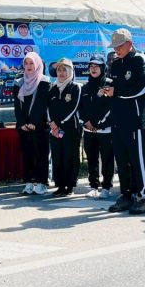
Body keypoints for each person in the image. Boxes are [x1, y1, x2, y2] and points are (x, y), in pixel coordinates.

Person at [102, 28, 145, 215]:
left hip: (133, 118)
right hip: (117, 118)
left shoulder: (139, 59)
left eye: (119, 46)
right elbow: (113, 84)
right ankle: (126, 194)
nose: (116, 49)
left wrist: (118, 92)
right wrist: (107, 88)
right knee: (122, 160)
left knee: (137, 159)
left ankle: (143, 196)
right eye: (114, 46)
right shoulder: (115, 63)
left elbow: (144, 87)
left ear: (129, 43)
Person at [14, 52, 51, 195]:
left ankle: (42, 183)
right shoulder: (19, 82)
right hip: (24, 126)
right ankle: (29, 182)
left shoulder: (44, 81)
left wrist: (34, 122)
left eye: (31, 63)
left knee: (41, 154)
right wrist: (22, 123)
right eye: (26, 63)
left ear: (38, 64)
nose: (28, 66)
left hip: (40, 125)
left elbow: (42, 104)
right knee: (27, 154)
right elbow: (17, 106)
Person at [79, 53, 115, 198]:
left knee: (107, 159)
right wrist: (86, 122)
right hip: (89, 130)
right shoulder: (85, 86)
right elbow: (81, 107)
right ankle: (93, 186)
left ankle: (106, 187)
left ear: (103, 67)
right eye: (91, 66)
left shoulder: (109, 84)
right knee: (92, 159)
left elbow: (111, 108)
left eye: (97, 66)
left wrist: (100, 124)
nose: (93, 69)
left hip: (105, 130)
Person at [46, 58, 82, 197]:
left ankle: (70, 186)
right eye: (59, 70)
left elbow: (73, 108)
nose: (61, 73)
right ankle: (60, 185)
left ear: (70, 71)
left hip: (70, 129)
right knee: (57, 157)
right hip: (55, 130)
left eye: (64, 70)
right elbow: (48, 108)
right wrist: (52, 124)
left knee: (70, 157)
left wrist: (59, 123)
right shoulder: (53, 88)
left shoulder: (75, 87)